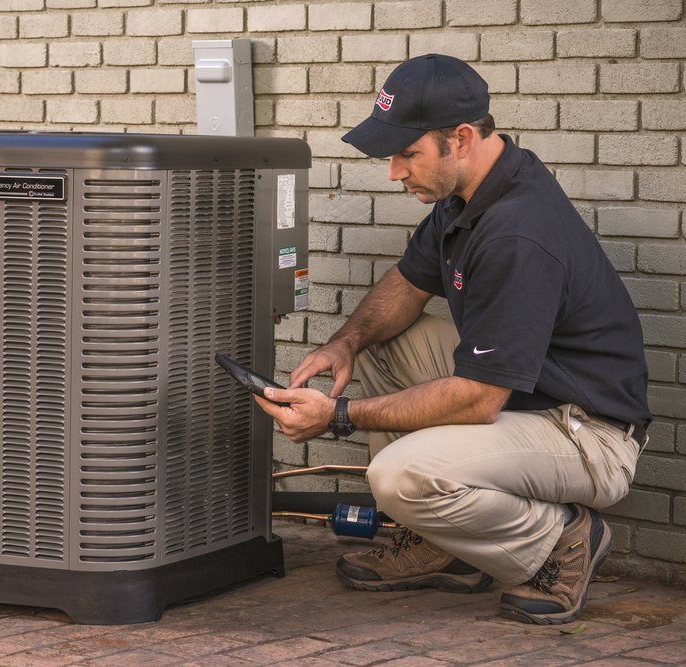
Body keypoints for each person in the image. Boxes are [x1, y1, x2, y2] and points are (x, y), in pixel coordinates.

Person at [254, 53, 651, 625]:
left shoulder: (518, 231)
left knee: (398, 477)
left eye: (406, 153)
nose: (394, 171)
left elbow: (479, 397)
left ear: (460, 139)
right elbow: (408, 284)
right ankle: (449, 545)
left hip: (588, 431)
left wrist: (337, 415)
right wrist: (344, 343)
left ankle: (563, 541)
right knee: (386, 342)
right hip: (530, 392)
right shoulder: (472, 193)